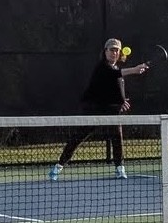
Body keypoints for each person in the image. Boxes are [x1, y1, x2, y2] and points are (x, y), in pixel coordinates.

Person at [49, 38, 150, 181]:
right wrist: (134, 70)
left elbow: (115, 87)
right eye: (111, 50)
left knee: (117, 137)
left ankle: (120, 168)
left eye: (117, 50)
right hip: (93, 109)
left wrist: (121, 101)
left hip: (110, 109)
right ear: (105, 51)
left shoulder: (116, 70)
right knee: (78, 137)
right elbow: (113, 75)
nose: (114, 53)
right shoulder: (102, 67)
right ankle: (58, 167)